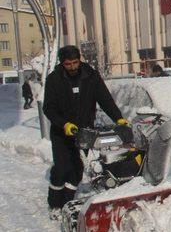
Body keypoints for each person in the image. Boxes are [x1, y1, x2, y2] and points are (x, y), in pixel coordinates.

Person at [43, 45, 128, 214]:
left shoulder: (91, 76)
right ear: (62, 63)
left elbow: (105, 99)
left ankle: (67, 203)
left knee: (77, 169)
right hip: (62, 132)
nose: (73, 67)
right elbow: (48, 108)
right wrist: (64, 124)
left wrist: (118, 118)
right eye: (68, 64)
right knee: (61, 168)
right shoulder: (54, 79)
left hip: (84, 132)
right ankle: (54, 203)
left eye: (75, 62)